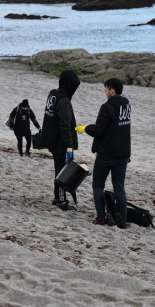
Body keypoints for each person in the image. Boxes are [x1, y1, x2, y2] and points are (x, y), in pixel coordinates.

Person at [77, 78, 132, 227]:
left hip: (107, 153)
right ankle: (122, 221)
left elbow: (100, 131)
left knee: (98, 185)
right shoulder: (126, 105)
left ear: (112, 90)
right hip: (123, 152)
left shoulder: (107, 106)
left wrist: (86, 128)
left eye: (106, 90)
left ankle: (101, 217)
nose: (105, 92)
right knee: (119, 187)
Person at [40, 70, 81, 211]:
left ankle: (58, 196)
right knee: (63, 171)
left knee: (58, 169)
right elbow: (65, 125)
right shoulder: (64, 101)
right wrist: (69, 146)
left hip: (52, 139)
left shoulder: (53, 94)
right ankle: (61, 200)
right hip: (61, 143)